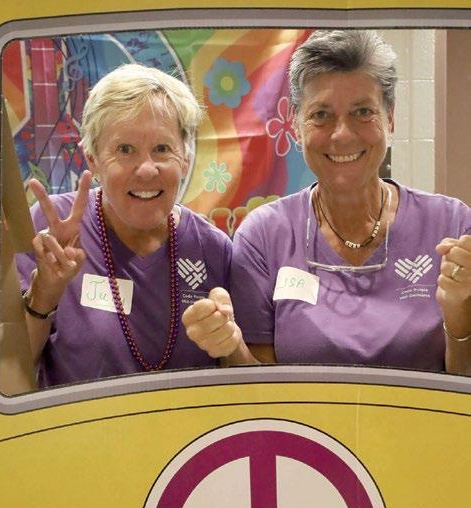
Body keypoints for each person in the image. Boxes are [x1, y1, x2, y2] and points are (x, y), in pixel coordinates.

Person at [182, 29, 471, 375]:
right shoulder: (264, 237)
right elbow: (257, 387)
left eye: (363, 111)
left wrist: (460, 318)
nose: (342, 134)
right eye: (321, 115)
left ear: (390, 118)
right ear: (296, 125)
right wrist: (230, 345)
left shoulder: (451, 226)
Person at [16, 63, 232, 387]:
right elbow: (10, 372)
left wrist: (229, 342)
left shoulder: (214, 249)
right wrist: (43, 295)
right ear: (92, 158)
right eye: (125, 150)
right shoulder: (52, 229)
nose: (146, 169)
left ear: (185, 158)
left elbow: (241, 378)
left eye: (162, 149)